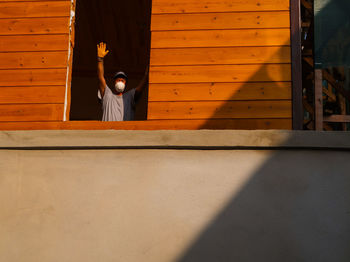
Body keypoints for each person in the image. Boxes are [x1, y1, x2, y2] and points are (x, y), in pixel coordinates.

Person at [97, 42, 148, 121]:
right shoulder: (108, 95)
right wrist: (100, 59)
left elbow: (140, 88)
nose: (120, 81)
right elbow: (100, 77)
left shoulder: (129, 97)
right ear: (114, 83)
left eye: (122, 80)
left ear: (125, 83)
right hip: (107, 132)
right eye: (118, 80)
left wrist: (146, 75)